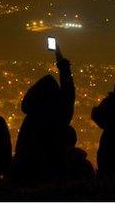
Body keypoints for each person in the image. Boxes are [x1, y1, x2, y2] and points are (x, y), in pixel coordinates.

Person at [11, 45, 76, 185]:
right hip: (53, 174)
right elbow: (68, 91)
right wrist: (61, 61)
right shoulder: (60, 117)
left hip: (26, 176)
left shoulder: (31, 120)